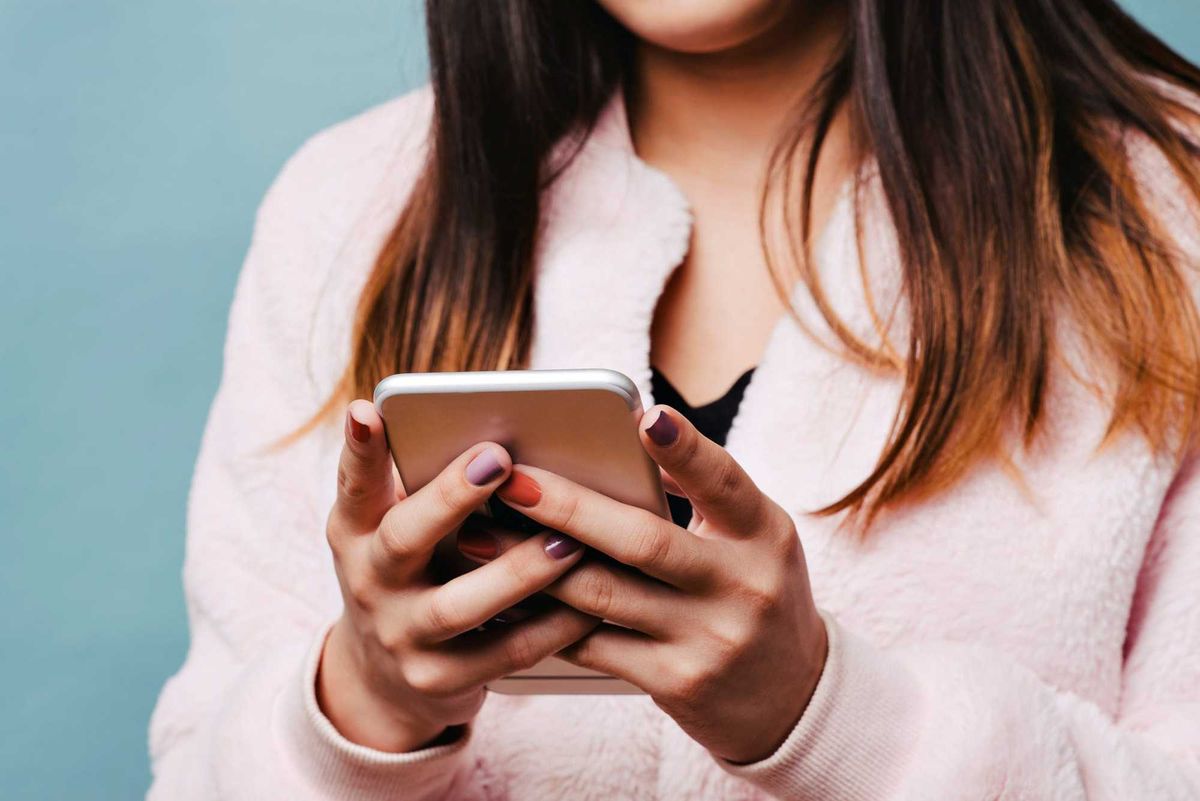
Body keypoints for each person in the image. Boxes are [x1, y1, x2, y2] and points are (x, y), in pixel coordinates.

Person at [149, 1, 1200, 798]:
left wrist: (839, 721)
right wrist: (361, 710)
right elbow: (197, 766)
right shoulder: (351, 215)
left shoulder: (1171, 220)